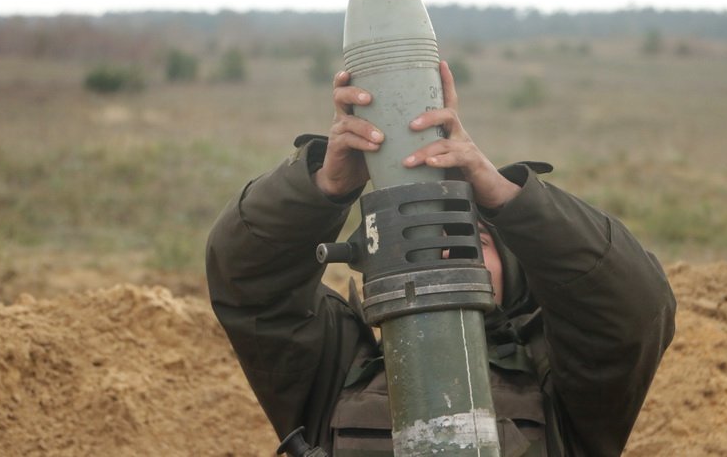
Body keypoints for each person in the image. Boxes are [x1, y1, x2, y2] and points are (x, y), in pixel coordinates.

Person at [206, 61, 676, 456]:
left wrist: (505, 195)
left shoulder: (558, 385)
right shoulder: (335, 369)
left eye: (472, 240)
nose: (443, 255)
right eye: (420, 238)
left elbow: (632, 306)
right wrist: (326, 185)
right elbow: (245, 273)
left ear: (516, 273)